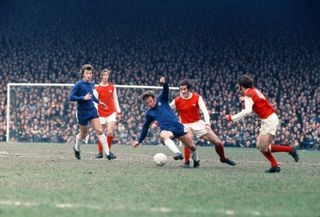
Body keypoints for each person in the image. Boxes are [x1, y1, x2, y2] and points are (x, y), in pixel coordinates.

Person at [225, 74, 299, 173]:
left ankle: (289, 150)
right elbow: (259, 100)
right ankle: (275, 165)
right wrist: (245, 99)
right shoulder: (253, 91)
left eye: (238, 84)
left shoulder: (248, 94)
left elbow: (247, 111)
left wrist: (232, 118)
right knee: (259, 146)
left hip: (270, 119)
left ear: (241, 85)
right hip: (267, 119)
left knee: (264, 147)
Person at [132, 77, 199, 166]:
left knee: (192, 147)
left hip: (178, 127)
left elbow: (166, 89)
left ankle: (196, 161)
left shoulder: (162, 100)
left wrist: (164, 83)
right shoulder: (149, 113)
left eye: (150, 101)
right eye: (147, 103)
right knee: (163, 135)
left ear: (154, 99)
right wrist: (139, 141)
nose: (149, 103)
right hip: (167, 130)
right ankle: (178, 153)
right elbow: (145, 127)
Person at [170, 79, 236, 168]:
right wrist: (157, 121)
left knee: (218, 143)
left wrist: (207, 124)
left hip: (198, 124)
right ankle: (187, 162)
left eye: (185, 89)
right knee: (188, 140)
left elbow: (205, 111)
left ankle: (223, 158)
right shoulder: (177, 100)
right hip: (185, 124)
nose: (183, 91)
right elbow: (166, 110)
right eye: (181, 89)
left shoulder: (197, 97)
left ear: (189, 89)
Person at [69, 64, 112, 160]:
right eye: (87, 73)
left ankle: (108, 154)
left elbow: (92, 96)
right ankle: (76, 148)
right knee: (84, 134)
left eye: (90, 73)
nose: (89, 75)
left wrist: (99, 102)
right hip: (82, 113)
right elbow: (71, 97)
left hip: (92, 110)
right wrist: (82, 98)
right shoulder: (78, 84)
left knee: (100, 130)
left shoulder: (92, 84)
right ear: (83, 74)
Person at [93, 68, 121, 159]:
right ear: (101, 76)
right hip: (100, 114)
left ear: (108, 76)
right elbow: (95, 103)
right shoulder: (97, 89)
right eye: (104, 75)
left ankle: (108, 152)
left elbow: (115, 99)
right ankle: (100, 153)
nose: (105, 77)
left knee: (109, 132)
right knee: (100, 133)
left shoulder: (112, 87)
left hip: (111, 113)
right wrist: (96, 114)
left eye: (107, 75)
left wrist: (118, 111)